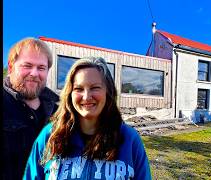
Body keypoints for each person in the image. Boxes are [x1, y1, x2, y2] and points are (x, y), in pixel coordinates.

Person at [24, 57, 152, 180]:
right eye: (78, 89)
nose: (86, 97)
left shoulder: (130, 139)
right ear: (70, 94)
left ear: (108, 92)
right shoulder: (49, 136)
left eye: (95, 88)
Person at [2, 37, 59, 180]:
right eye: (27, 66)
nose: (34, 73)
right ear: (10, 67)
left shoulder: (59, 113)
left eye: (41, 68)